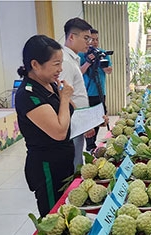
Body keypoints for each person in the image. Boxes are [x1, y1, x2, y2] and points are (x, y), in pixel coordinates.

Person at [15, 35, 75, 217]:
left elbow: (70, 113)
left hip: (63, 160)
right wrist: (64, 98)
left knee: (66, 214)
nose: (61, 69)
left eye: (61, 63)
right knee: (53, 218)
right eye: (56, 64)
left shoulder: (50, 84)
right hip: (47, 167)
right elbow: (58, 131)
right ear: (35, 64)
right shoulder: (28, 94)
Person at [59, 17, 96, 170]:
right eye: (86, 38)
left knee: (78, 156)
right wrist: (84, 122)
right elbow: (64, 95)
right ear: (72, 37)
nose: (90, 42)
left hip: (77, 120)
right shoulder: (66, 61)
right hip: (73, 122)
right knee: (75, 162)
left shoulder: (74, 58)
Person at [79, 29, 112, 153]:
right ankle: (90, 146)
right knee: (89, 121)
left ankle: (93, 143)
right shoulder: (82, 55)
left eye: (97, 39)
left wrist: (103, 64)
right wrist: (89, 61)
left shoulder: (103, 53)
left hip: (100, 91)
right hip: (87, 93)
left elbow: (109, 70)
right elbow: (79, 72)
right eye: (92, 39)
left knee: (99, 119)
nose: (95, 42)